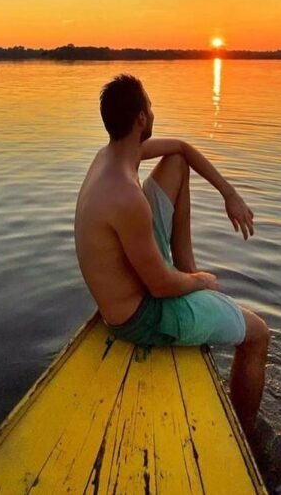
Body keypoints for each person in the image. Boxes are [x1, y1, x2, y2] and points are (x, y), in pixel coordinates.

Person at [74, 73, 269, 437]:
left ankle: (190, 275)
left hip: (139, 283)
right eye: (149, 104)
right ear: (141, 119)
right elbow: (160, 287)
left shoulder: (110, 156)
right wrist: (201, 281)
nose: (153, 108)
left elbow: (181, 148)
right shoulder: (126, 197)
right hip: (140, 317)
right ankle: (245, 438)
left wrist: (229, 193)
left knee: (177, 162)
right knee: (258, 335)